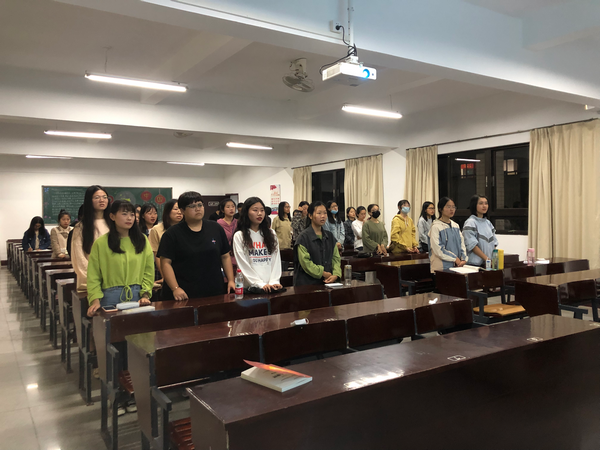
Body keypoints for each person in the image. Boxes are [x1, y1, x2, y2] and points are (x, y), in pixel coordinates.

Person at [157, 191, 235, 300]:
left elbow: (225, 256)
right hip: (184, 293)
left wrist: (230, 280)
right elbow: (165, 263)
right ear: (182, 210)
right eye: (192, 206)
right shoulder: (172, 234)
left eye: (200, 205)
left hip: (214, 289)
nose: (198, 209)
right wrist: (175, 288)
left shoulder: (215, 228)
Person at [86, 200, 154, 315]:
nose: (129, 218)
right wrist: (95, 300)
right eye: (124, 214)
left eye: (132, 214)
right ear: (112, 216)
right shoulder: (101, 243)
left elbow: (149, 270)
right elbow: (93, 275)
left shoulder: (142, 240)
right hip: (109, 297)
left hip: (137, 296)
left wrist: (145, 294)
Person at [233, 197, 282, 291]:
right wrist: (259, 283)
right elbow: (243, 264)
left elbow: (276, 260)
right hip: (251, 287)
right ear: (246, 212)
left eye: (262, 210)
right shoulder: (239, 236)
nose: (259, 213)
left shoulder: (271, 233)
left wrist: (274, 281)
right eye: (255, 210)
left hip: (270, 286)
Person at [71, 185, 111, 292]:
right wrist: (94, 277)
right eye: (97, 197)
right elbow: (79, 258)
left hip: (113, 280)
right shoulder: (81, 227)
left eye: (105, 197)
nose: (102, 200)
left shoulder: (114, 224)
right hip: (90, 282)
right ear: (89, 200)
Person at [293, 201, 341, 286]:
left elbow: (336, 258)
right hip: (307, 284)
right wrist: (323, 273)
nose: (323, 216)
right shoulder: (303, 238)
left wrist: (336, 274)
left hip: (328, 283)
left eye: (325, 213)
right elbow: (306, 263)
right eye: (319, 213)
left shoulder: (330, 236)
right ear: (310, 215)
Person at [429, 197, 467, 273]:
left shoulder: (455, 226)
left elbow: (462, 244)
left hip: (457, 266)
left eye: (453, 207)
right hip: (441, 268)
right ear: (440, 209)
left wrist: (463, 259)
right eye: (448, 207)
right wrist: (455, 259)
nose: (451, 209)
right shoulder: (436, 227)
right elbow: (438, 249)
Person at [149, 199, 182, 281]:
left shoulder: (186, 229)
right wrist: (165, 277)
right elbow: (157, 255)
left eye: (181, 209)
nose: (179, 212)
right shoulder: (157, 229)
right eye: (175, 209)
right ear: (168, 211)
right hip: (164, 269)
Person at [463, 194, 498, 267]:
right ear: (474, 205)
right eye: (481, 203)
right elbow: (472, 246)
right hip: (475, 264)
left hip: (488, 263)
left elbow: (494, 242)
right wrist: (487, 259)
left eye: (486, 203)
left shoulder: (488, 223)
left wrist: (493, 259)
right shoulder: (470, 222)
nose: (484, 206)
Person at [217, 198, 238, 266]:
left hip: (237, 255)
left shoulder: (238, 223)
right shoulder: (218, 224)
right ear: (222, 210)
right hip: (224, 256)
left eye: (233, 206)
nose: (231, 209)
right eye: (228, 207)